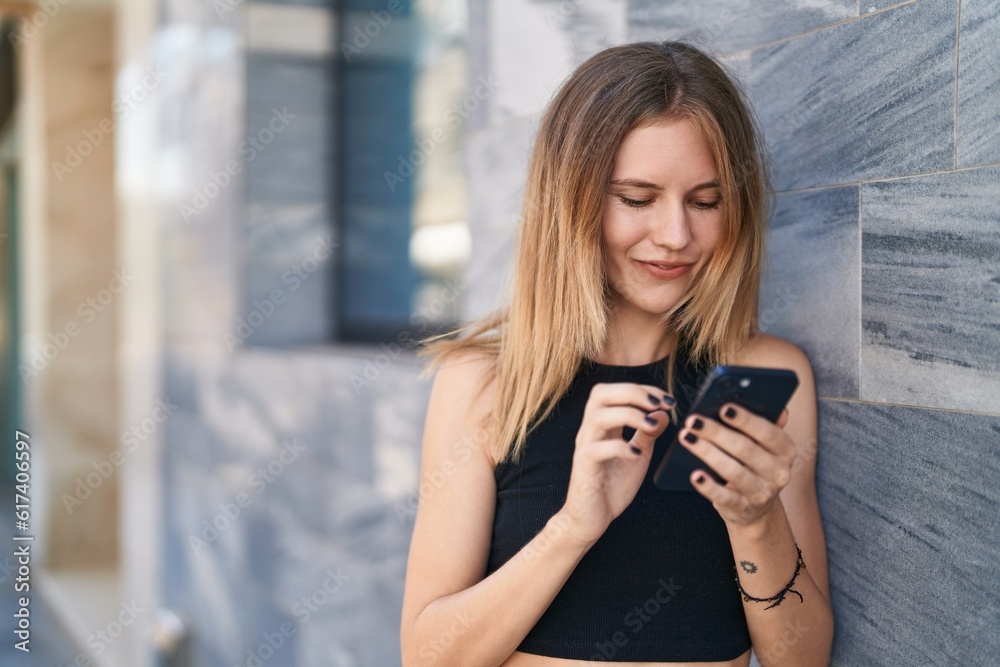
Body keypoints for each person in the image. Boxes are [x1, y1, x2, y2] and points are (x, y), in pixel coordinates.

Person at [400, 41, 834, 667]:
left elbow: (804, 658)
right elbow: (427, 658)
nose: (676, 235)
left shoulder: (763, 373)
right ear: (570, 201)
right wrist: (574, 526)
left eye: (706, 202)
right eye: (637, 199)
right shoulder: (486, 382)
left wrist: (757, 521)